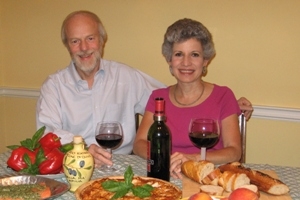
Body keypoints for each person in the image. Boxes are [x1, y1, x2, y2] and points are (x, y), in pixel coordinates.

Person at [36, 11, 253, 169]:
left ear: (101, 41)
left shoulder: (126, 76)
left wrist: (232, 106)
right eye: (76, 41)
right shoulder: (54, 86)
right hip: (73, 165)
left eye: (90, 38)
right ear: (67, 45)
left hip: (120, 166)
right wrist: (82, 147)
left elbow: (180, 90)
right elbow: (46, 133)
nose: (84, 48)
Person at [133, 18, 245, 179]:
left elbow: (234, 151)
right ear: (169, 60)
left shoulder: (224, 96)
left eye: (194, 54)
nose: (186, 63)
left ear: (205, 60)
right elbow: (139, 144)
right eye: (179, 54)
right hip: (166, 173)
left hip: (207, 177)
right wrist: (165, 159)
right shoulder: (159, 98)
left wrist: (193, 159)